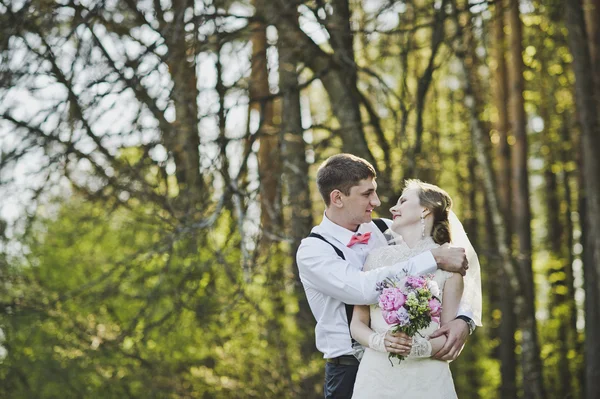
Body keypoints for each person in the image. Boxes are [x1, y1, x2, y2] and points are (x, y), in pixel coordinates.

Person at [296, 154, 474, 399]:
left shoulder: (387, 229)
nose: (377, 201)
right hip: (349, 369)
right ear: (337, 198)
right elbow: (363, 289)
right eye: (366, 194)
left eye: (375, 192)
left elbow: (449, 271)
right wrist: (432, 258)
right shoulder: (313, 251)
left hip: (413, 364)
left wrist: (465, 320)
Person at [350, 180, 482, 398]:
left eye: (402, 201)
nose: (393, 208)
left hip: (427, 379)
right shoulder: (375, 258)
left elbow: (448, 337)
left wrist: (419, 348)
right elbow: (358, 324)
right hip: (377, 377)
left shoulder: (451, 265)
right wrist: (380, 341)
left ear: (425, 209)